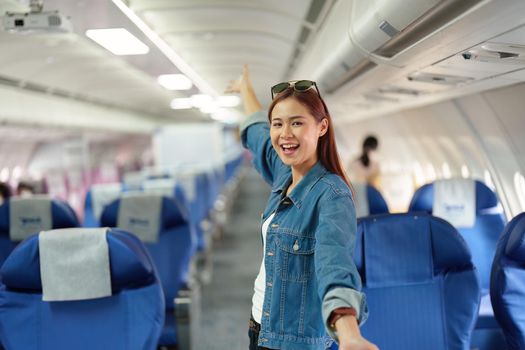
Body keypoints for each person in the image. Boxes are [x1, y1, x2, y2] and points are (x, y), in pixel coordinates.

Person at [226, 65, 377, 350]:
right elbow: (257, 130)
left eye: (297, 123)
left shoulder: (332, 195)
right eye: (278, 123)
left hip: (292, 343)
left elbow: (335, 265)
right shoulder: (285, 173)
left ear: (322, 126)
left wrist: (349, 334)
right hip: (259, 327)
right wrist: (246, 88)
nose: (285, 134)